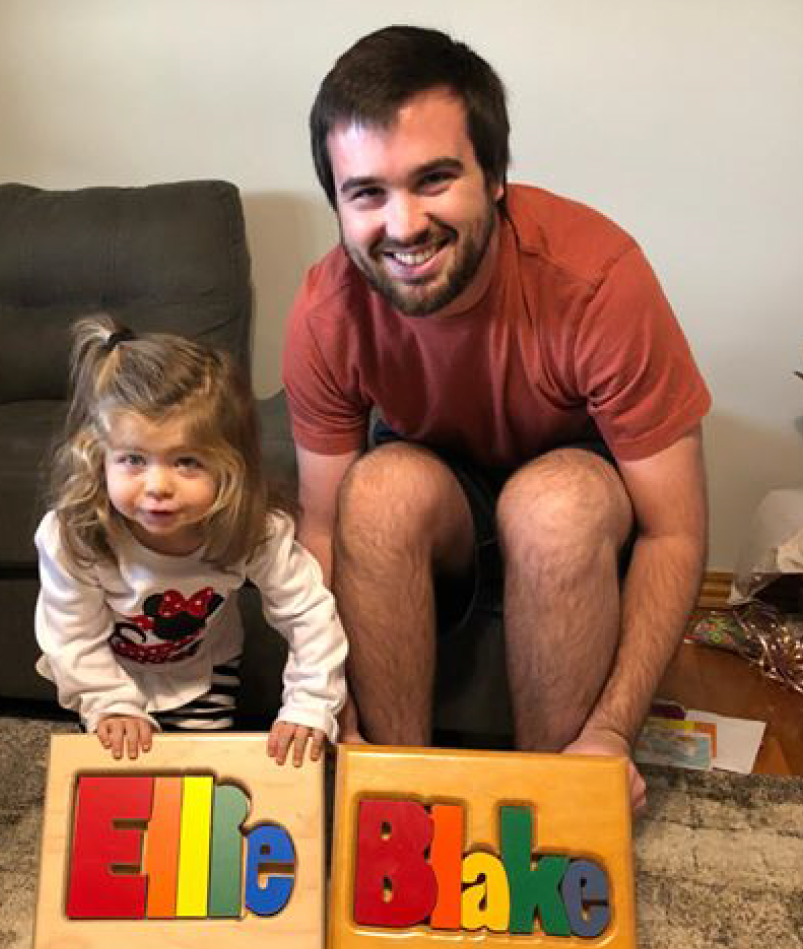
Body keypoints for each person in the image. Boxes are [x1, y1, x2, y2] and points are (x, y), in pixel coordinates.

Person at [284, 26, 711, 808]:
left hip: (574, 502)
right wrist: (329, 706)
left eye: (435, 179)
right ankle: (394, 800)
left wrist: (613, 730)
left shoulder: (599, 278)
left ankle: (552, 807)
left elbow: (674, 530)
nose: (404, 225)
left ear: (496, 177)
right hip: (441, 506)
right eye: (368, 193)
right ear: (339, 204)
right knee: (375, 495)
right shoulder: (324, 310)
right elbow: (320, 529)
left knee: (554, 506)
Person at [35, 315, 348, 766]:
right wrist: (109, 703)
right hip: (107, 674)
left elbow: (309, 613)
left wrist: (310, 706)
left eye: (186, 462)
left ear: (230, 466)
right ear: (98, 457)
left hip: (205, 672)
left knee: (197, 781)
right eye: (133, 460)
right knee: (124, 781)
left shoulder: (255, 529)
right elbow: (71, 635)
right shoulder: (74, 537)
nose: (158, 486)